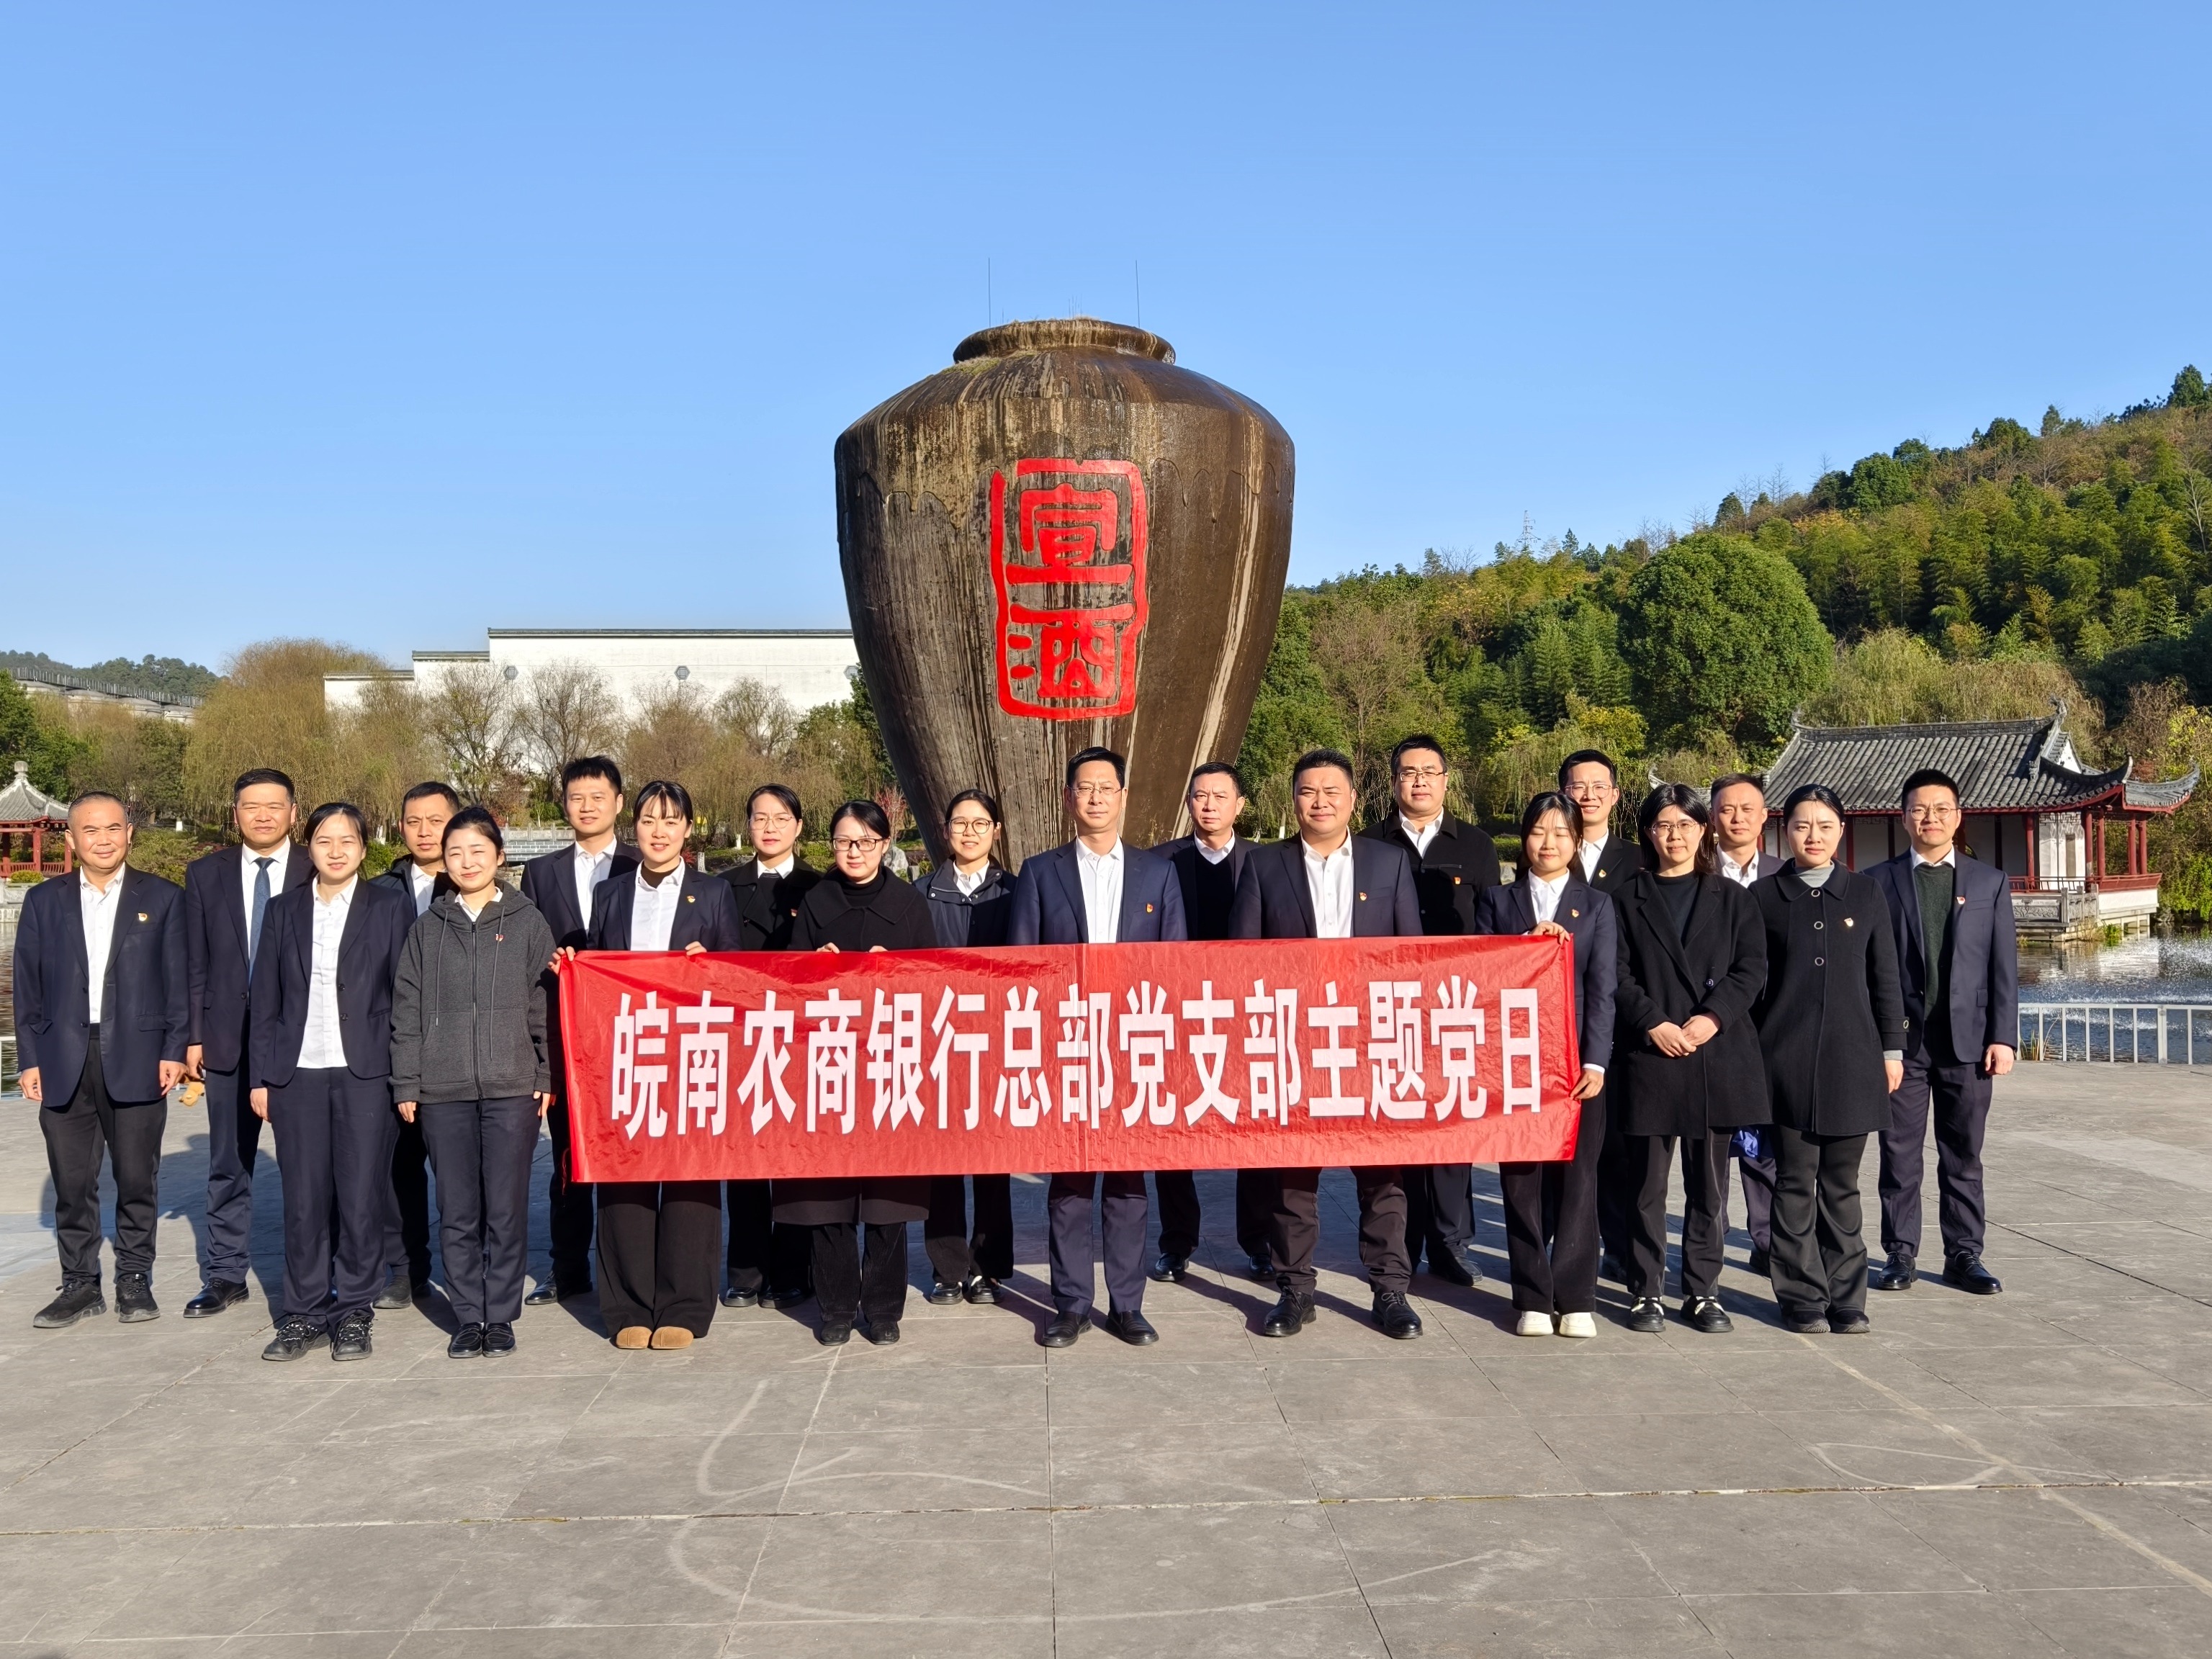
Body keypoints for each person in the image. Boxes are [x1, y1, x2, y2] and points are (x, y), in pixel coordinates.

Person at [1230, 748, 1426, 1341]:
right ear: (1294, 799)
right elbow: (1242, 961)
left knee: (1382, 1172)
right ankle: (1295, 1290)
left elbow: (1412, 956)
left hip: (1372, 1039)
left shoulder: (1388, 862)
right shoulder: (1264, 865)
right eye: (1308, 791)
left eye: (1331, 791)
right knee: (1293, 1173)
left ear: (1353, 799)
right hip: (1293, 1041)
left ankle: (1390, 1290)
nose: (1320, 801)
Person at [1008, 747, 1188, 1348]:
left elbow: (1175, 967)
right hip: (1067, 1045)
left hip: (1135, 1044)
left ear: (1123, 796)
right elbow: (1024, 966)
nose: (1095, 798)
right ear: (1069, 798)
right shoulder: (1041, 871)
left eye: (1106, 788)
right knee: (1070, 1182)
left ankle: (1128, 1305)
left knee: (1129, 1183)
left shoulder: (1158, 873)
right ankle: (1071, 1304)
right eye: (1084, 788)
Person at [13, 792, 188, 1328]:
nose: (104, 839)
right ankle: (79, 1284)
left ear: (129, 833)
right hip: (63, 1056)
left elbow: (179, 983)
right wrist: (28, 1058)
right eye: (90, 831)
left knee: (136, 1178)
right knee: (72, 1183)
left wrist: (174, 1050)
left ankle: (134, 1278)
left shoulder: (163, 898)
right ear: (72, 839)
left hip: (139, 1054)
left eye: (113, 828)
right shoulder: (44, 901)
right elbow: (27, 987)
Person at [247, 804, 415, 1361]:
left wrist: (406, 1075)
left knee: (361, 1198)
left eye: (347, 841)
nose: (336, 851)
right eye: (324, 840)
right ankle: (303, 1312)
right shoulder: (282, 910)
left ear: (364, 849)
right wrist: (261, 1078)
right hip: (296, 1073)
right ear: (308, 847)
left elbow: (405, 997)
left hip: (366, 1072)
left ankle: (354, 1312)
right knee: (303, 1200)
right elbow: (265, 1000)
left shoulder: (388, 907)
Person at [579, 781, 740, 1349]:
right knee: (624, 1178)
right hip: (626, 1056)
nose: (659, 831)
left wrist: (711, 965)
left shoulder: (713, 893)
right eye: (649, 820)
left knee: (690, 1179)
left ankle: (685, 1304)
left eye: (671, 821)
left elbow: (737, 978)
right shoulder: (610, 894)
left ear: (688, 829)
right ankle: (627, 1304)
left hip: (693, 1056)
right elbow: (595, 971)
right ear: (635, 826)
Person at [390, 808, 557, 1359]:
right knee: (458, 1210)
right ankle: (468, 1315)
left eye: (478, 851)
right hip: (444, 1091)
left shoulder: (528, 922)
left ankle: (500, 1315)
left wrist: (544, 1071)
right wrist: (407, 1082)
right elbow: (406, 1010)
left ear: (499, 856)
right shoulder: (427, 928)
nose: (467, 861)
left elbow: (542, 1006)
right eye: (455, 852)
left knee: (505, 1209)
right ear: (444, 860)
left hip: (512, 1088)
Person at [1610, 784, 1769, 1335]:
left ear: (1704, 830)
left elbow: (1751, 969)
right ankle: (1646, 1290)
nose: (1674, 836)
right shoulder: (1625, 898)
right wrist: (1651, 1022)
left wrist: (1712, 1018)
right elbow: (1616, 972)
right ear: (1648, 833)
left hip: (1712, 1054)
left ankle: (1703, 1291)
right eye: (1663, 825)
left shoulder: (1734, 898)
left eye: (1685, 824)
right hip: (1650, 1053)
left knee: (1709, 1187)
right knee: (1646, 1186)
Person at [780, 800, 938, 1345]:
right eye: (845, 841)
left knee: (886, 1197)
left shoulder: (909, 904)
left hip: (888, 1063)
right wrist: (814, 969)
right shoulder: (815, 901)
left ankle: (885, 1309)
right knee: (828, 1195)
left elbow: (933, 982)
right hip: (827, 1064)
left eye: (867, 842)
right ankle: (836, 1308)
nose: (855, 851)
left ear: (884, 845)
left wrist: (894, 970)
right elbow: (787, 983)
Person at [1750, 785, 1905, 1335]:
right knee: (1794, 1182)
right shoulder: (1764, 897)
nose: (1812, 836)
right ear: (1784, 831)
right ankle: (1801, 1298)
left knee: (1842, 1184)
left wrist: (1892, 1050)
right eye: (1801, 825)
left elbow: (1886, 979)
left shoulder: (1864, 893)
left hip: (1853, 1061)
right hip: (1784, 1060)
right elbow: (1753, 984)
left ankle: (1847, 1298)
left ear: (1841, 829)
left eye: (1824, 825)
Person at [1866, 768, 2018, 1296]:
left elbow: (2002, 967)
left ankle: (1964, 1254)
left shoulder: (1989, 882)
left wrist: (2004, 1037)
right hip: (1902, 1045)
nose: (1929, 818)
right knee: (1898, 1155)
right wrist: (1877, 1041)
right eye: (1919, 809)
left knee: (1963, 1154)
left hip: (1969, 1043)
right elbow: (1869, 969)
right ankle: (1900, 1253)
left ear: (1957, 816)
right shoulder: (1878, 881)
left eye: (1940, 809)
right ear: (1904, 817)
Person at [1361, 734, 1501, 1288]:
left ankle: (1451, 1243)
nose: (1419, 780)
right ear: (1393, 780)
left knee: (1451, 1130)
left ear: (1446, 779)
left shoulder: (1477, 845)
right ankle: (1400, 1245)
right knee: (1396, 1131)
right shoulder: (1368, 843)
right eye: (1408, 772)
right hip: (1387, 1006)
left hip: (1454, 1008)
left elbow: (1491, 925)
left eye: (1429, 771)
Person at [1477, 791, 1615, 1339]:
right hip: (1515, 1064)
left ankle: (1576, 1297)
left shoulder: (1597, 905)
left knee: (1580, 1182)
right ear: (1524, 839)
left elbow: (1602, 992)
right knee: (1522, 1183)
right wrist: (1523, 945)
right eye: (1538, 832)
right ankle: (1533, 1297)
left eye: (1561, 833)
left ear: (1577, 841)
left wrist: (1597, 1062)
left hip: (1577, 1066)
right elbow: (1479, 975)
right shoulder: (1497, 900)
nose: (1549, 843)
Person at [179, 768, 313, 1318]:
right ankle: (226, 1274)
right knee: (229, 1162)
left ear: (293, 813)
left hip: (301, 1038)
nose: (263, 815)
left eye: (274, 806)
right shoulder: (205, 873)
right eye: (251, 806)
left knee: (310, 1166)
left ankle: (316, 1274)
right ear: (234, 813)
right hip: (226, 1039)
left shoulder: (317, 865)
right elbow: (194, 962)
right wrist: (193, 1036)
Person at [1149, 762, 1274, 1285]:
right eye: (1201, 796)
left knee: (1255, 1127)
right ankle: (1177, 1242)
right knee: (1172, 1129)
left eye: (1221, 796)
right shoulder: (1158, 863)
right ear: (1189, 803)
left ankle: (1261, 1241)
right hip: (1178, 1011)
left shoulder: (1266, 863)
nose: (1210, 805)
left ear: (1240, 805)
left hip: (1248, 1013)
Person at [517, 755, 635, 1308]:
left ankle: (625, 1270)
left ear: (618, 802)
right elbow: (526, 950)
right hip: (565, 1033)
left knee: (626, 1154)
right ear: (564, 804)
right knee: (567, 1155)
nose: (586, 807)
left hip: (628, 1035)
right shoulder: (541, 873)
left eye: (597, 797)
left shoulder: (641, 863)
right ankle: (567, 1269)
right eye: (576, 798)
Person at [720, 783, 817, 1310]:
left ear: (799, 826)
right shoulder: (723, 887)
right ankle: (746, 1271)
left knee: (798, 1159)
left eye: (781, 818)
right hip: (741, 1035)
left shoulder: (819, 886)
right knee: (746, 1157)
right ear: (748, 825)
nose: (771, 827)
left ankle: (794, 1270)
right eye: (760, 818)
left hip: (803, 1039)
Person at [919, 788, 1015, 1308]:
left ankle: (989, 1266)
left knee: (993, 1158)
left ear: (996, 831)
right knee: (942, 1157)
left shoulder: (1016, 891)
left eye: (981, 824)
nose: (970, 833)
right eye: (960, 823)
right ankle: (948, 1267)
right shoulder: (921, 893)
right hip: (938, 1040)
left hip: (998, 1039)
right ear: (946, 830)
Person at [1560, 747, 1646, 1285]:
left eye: (1599, 786)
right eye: (1577, 786)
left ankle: (1618, 1245)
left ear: (1615, 795)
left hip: (1623, 1018)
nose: (1588, 795)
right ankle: (1567, 1241)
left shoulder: (1637, 859)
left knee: (1618, 1146)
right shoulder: (1548, 850)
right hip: (1561, 1019)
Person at [371, 781, 459, 1301]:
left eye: (436, 820)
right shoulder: (379, 891)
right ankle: (406, 1268)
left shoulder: (476, 883)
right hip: (397, 1045)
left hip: (460, 1047)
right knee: (399, 1165)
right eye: (413, 821)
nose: (424, 831)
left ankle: (471, 1266)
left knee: (460, 1171)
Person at [1709, 772, 1784, 1276]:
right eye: (1726, 809)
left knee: (1764, 1143)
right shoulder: (1692, 872)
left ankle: (1768, 1240)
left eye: (1746, 809)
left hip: (1770, 1025)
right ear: (1712, 818)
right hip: (1710, 1024)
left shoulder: (1784, 875)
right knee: (1711, 1143)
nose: (1736, 818)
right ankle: (1709, 1238)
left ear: (1764, 817)